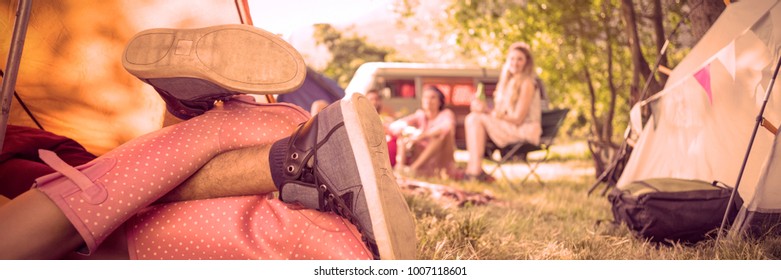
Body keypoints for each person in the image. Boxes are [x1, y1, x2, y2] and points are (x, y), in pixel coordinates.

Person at [0, 24, 415, 260]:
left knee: (109, 209)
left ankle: (255, 144)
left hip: (56, 190)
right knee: (296, 229)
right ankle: (254, 143)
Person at [464, 42, 542, 181]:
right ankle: (474, 169)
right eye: (512, 58)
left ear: (526, 63)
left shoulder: (527, 84)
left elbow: (518, 118)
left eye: (520, 59)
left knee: (475, 119)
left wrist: (487, 111)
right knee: (473, 117)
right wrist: (481, 109)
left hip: (523, 130)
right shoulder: (507, 83)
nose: (515, 62)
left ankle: (474, 172)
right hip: (510, 127)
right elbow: (499, 113)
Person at [388, 86, 456, 178]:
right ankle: (400, 168)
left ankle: (412, 169)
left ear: (440, 101)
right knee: (403, 134)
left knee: (438, 136)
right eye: (426, 97)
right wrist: (409, 131)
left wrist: (422, 135)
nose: (428, 100)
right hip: (423, 162)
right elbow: (397, 125)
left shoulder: (446, 114)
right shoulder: (420, 115)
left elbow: (445, 128)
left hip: (441, 160)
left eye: (433, 97)